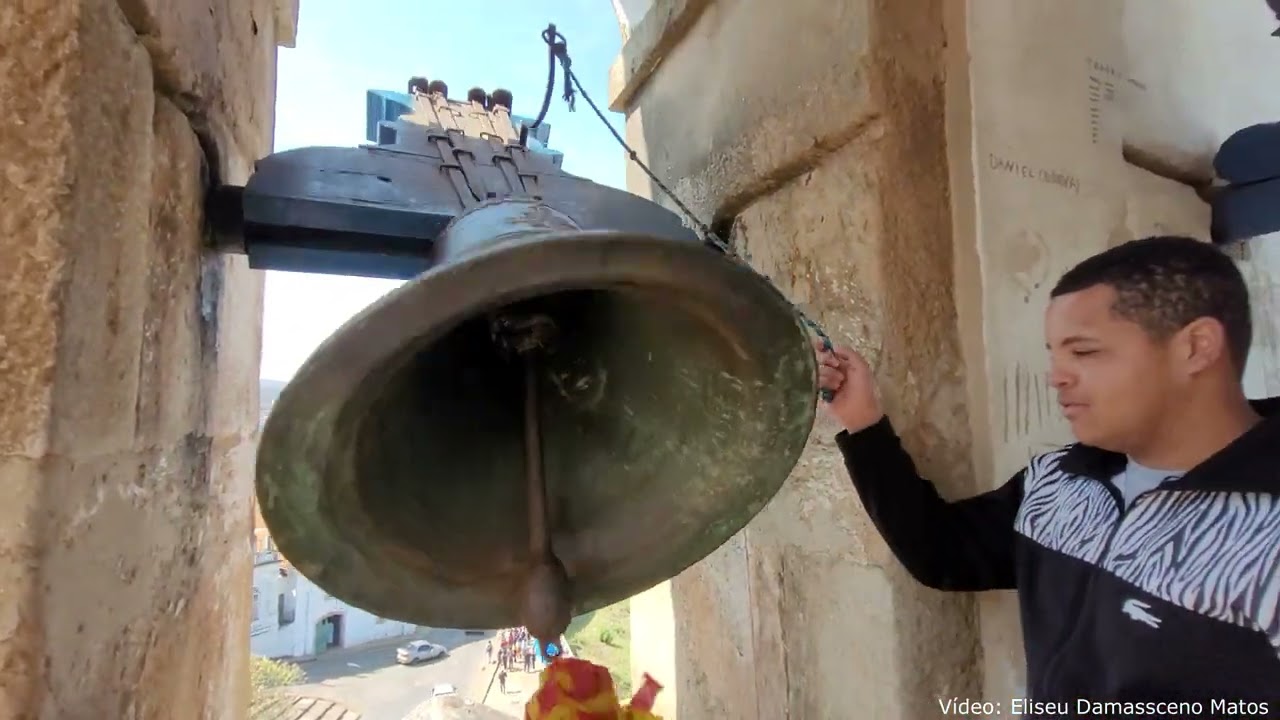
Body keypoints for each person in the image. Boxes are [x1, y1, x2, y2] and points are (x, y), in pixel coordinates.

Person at [817, 236, 1280, 713]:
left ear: (1196, 348)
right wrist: (865, 423)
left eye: (1083, 352)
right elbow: (943, 552)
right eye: (1053, 354)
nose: (1055, 376)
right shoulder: (1059, 481)